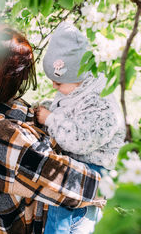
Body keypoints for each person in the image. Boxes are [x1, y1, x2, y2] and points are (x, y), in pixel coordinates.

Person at [0, 24, 104, 234]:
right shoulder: (3, 135)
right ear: (5, 78)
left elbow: (29, 120)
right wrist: (115, 181)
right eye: (22, 74)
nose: (25, 79)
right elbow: (64, 181)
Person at [36, 22, 126, 234]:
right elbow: (69, 109)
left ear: (78, 78)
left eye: (58, 84)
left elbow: (80, 139)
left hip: (93, 170)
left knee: (65, 219)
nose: (54, 87)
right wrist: (50, 109)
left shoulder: (100, 103)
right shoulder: (78, 87)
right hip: (81, 165)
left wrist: (50, 119)